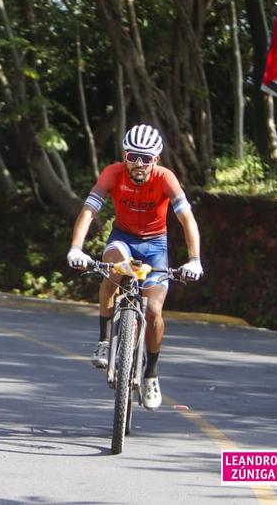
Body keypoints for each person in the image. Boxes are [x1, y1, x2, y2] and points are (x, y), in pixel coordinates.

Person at [66, 124, 202, 410]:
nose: (138, 164)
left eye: (146, 158)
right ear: (124, 156)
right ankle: (104, 340)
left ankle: (151, 373)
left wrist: (194, 259)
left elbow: (187, 219)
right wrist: (76, 249)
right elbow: (89, 211)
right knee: (113, 267)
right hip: (123, 239)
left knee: (153, 311)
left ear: (156, 160)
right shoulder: (112, 174)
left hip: (156, 245)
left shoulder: (166, 179)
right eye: (132, 156)